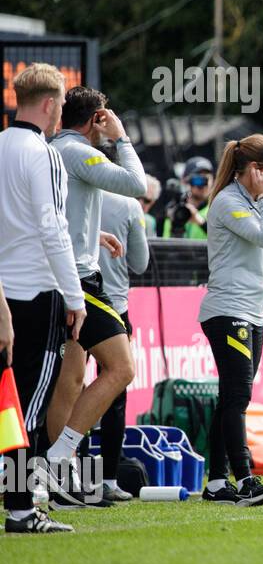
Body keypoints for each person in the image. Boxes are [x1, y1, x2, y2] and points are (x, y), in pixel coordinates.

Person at [44, 86, 147, 508]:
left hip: (63, 271)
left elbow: (59, 211)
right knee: (121, 367)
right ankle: (58, 456)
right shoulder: (78, 152)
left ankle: (56, 476)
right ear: (96, 119)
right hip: (79, 281)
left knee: (69, 379)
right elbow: (136, 184)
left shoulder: (51, 149)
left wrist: (91, 234)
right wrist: (121, 138)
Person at [0, 64, 85, 533]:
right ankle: (20, 508)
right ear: (51, 104)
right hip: (35, 293)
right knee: (25, 409)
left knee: (5, 403)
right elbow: (54, 230)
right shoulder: (43, 153)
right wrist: (75, 297)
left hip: (2, 293)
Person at [197, 135, 263, 507]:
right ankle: (246, 479)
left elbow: (252, 263)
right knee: (238, 396)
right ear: (254, 170)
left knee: (230, 399)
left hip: (250, 311)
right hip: (227, 312)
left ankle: (217, 483)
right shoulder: (228, 202)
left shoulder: (249, 200)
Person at [91, 190, 151, 502]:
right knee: (115, 388)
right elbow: (140, 263)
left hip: (67, 294)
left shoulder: (65, 188)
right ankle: (108, 479)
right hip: (111, 304)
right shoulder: (127, 204)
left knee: (66, 386)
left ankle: (65, 474)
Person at [161, 156, 214, 239]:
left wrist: (201, 222)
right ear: (185, 181)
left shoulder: (217, 209)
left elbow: (223, 239)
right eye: (198, 180)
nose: (204, 185)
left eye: (207, 179)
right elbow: (167, 244)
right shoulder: (176, 210)